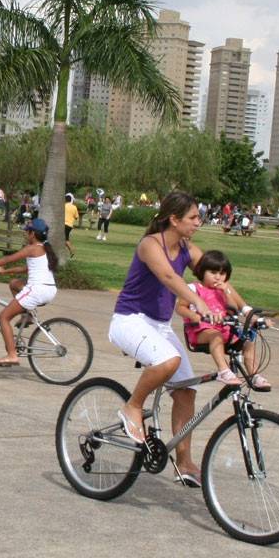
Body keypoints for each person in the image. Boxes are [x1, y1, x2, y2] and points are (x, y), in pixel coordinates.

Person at [108, 192, 215, 487]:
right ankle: (133, 406)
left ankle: (184, 462)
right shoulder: (150, 245)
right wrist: (198, 303)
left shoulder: (186, 247)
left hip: (159, 326)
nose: (198, 223)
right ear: (174, 219)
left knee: (186, 391)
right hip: (130, 321)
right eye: (193, 218)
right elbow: (169, 278)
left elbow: (214, 274)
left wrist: (242, 309)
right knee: (170, 360)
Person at [177, 250, 271, 389]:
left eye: (222, 274)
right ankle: (223, 370)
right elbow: (180, 307)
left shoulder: (222, 291)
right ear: (202, 271)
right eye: (213, 273)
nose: (218, 277)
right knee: (216, 337)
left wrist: (226, 292)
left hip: (223, 330)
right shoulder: (193, 288)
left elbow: (233, 309)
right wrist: (195, 316)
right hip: (200, 331)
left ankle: (254, 375)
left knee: (247, 342)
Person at [0, 218, 60, 366]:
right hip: (49, 289)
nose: (25, 233)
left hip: (37, 290)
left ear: (33, 234)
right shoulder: (44, 249)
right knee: (14, 284)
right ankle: (27, 315)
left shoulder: (32, 248)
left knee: (3, 317)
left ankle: (12, 355)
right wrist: (5, 272)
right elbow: (25, 269)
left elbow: (8, 258)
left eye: (27, 231)